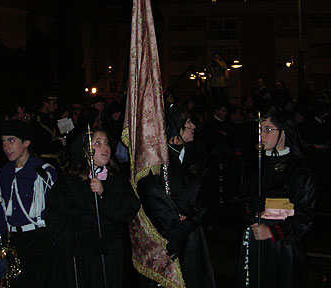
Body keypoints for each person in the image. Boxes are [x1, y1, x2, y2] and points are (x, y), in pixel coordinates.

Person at [45, 127, 140, 288]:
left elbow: (130, 208)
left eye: (107, 143)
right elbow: (55, 215)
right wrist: (73, 240)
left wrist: (104, 195)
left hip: (110, 251)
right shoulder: (69, 182)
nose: (105, 148)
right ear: (86, 150)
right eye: (98, 143)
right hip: (81, 252)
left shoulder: (116, 178)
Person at [236, 108, 316, 288]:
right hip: (255, 240)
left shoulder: (299, 169)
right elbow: (237, 204)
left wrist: (272, 232)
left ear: (284, 132)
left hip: (284, 245)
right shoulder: (253, 165)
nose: (261, 135)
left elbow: (306, 216)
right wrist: (249, 207)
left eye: (268, 129)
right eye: (259, 130)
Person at [137, 107, 216, 288]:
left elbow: (203, 195)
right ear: (174, 127)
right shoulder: (157, 161)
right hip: (168, 236)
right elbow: (153, 196)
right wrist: (174, 226)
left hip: (191, 234)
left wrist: (190, 222)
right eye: (187, 122)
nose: (192, 126)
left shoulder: (197, 155)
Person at [0, 119, 57, 288]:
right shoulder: (3, 173)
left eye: (12, 141)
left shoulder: (43, 172)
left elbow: (55, 210)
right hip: (13, 240)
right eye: (3, 142)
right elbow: (0, 209)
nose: (6, 147)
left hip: (38, 239)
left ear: (26, 142)